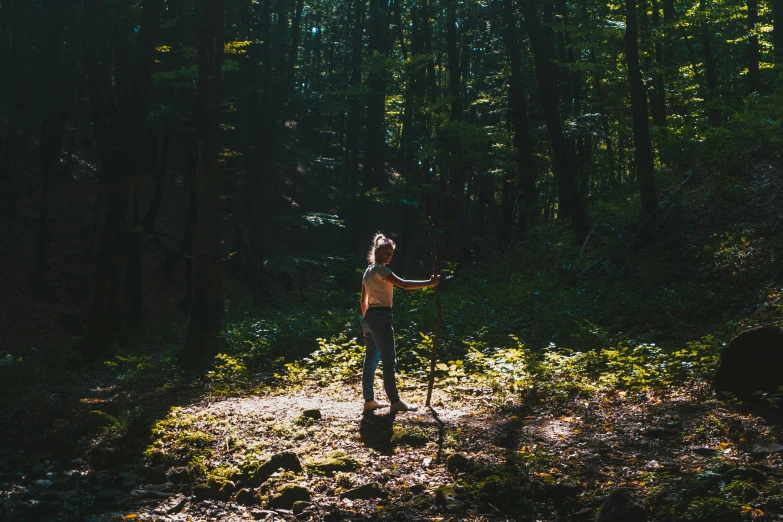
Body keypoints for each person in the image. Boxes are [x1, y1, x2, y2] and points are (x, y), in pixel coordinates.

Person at [361, 233, 439, 413]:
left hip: (370, 317)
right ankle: (395, 401)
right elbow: (404, 284)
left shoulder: (367, 272)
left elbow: (363, 301)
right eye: (386, 251)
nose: (389, 255)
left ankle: (369, 401)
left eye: (391, 252)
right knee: (388, 360)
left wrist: (366, 322)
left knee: (370, 360)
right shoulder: (381, 270)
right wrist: (430, 282)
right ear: (377, 251)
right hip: (381, 317)